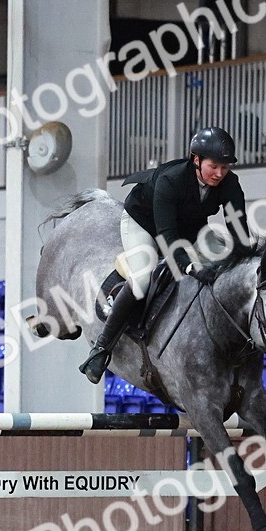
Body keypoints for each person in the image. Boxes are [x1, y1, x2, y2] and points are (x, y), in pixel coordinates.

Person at [79, 126, 248, 384]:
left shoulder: (230, 183)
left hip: (190, 228)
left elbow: (237, 228)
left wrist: (244, 261)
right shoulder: (171, 180)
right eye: (214, 166)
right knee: (143, 279)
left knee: (224, 258)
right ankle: (101, 349)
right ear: (196, 160)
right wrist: (191, 268)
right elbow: (167, 239)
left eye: (225, 167)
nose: (219, 173)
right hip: (144, 223)